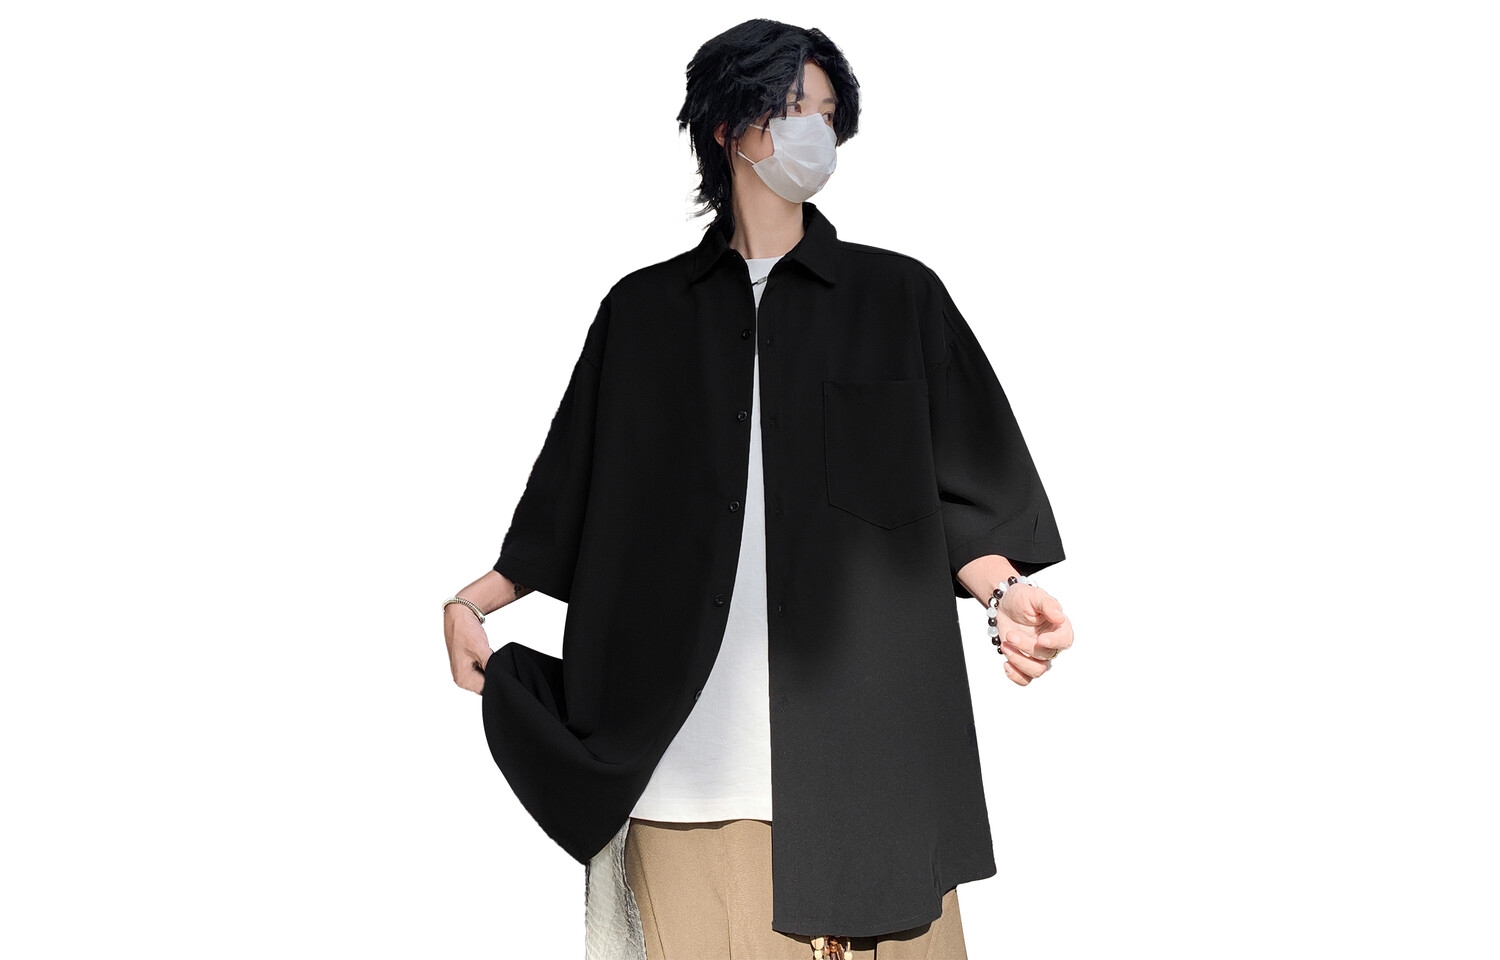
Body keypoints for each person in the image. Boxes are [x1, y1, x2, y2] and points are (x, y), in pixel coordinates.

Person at [443, 18, 1074, 960]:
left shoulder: (900, 299)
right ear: (726, 128)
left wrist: (1005, 592)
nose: (813, 129)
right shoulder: (641, 314)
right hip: (689, 779)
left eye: (826, 110)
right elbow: (571, 499)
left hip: (874, 765)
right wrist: (473, 602)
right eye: (788, 108)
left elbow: (952, 499)